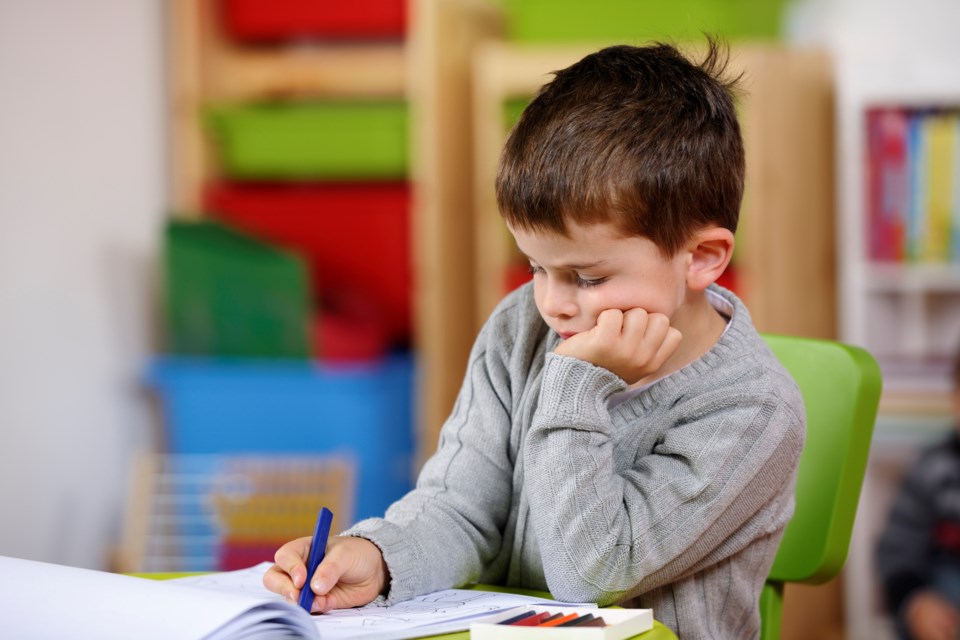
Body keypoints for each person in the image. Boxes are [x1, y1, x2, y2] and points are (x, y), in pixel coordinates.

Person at [264, 38, 806, 639]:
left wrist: (575, 386)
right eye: (535, 266)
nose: (551, 303)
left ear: (701, 257)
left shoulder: (755, 411)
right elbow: (461, 508)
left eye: (588, 277)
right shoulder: (520, 327)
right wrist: (381, 557)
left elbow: (592, 574)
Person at [876, 350, 960, 640]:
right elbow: (898, 548)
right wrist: (914, 602)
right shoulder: (932, 469)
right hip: (945, 599)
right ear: (955, 398)